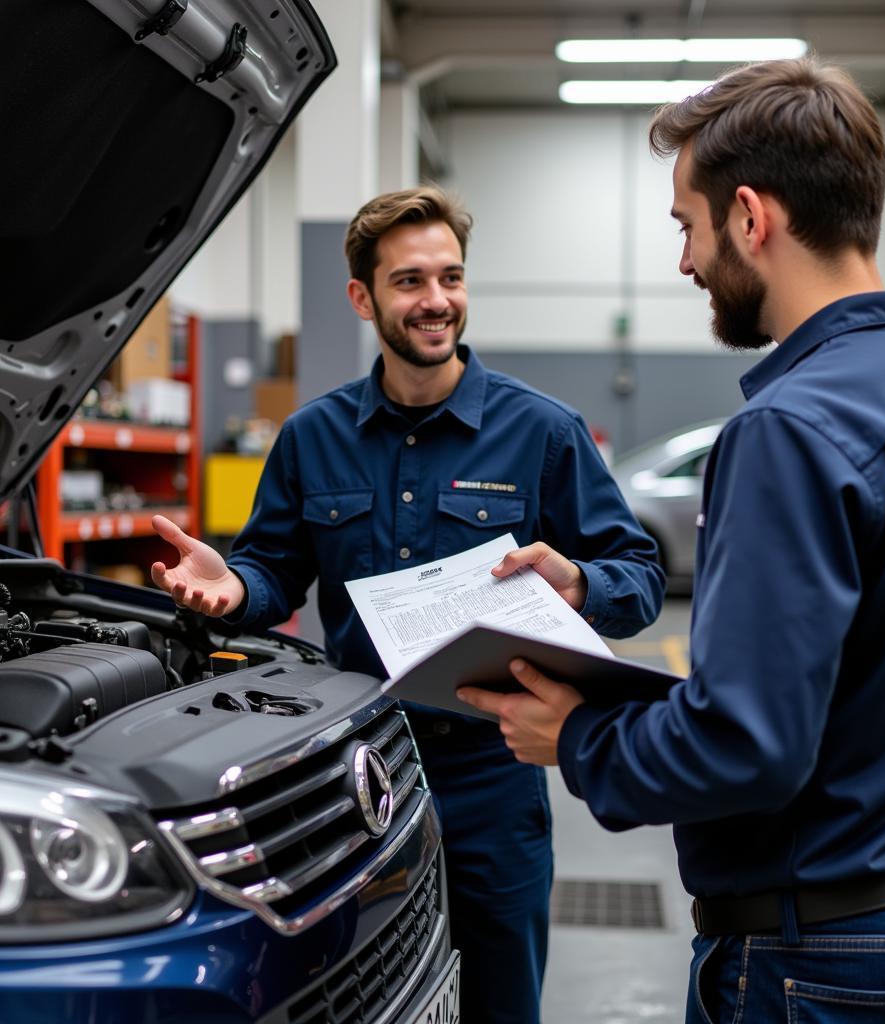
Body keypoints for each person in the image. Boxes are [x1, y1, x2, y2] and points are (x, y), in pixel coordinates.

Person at [458, 57, 885, 1023]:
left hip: (818, 956)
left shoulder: (787, 428)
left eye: (688, 226)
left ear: (751, 218)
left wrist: (580, 737)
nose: (684, 261)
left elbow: (748, 747)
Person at [149, 186, 665, 1024]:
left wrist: (581, 584)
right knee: (359, 994)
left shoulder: (543, 432)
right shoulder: (313, 437)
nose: (436, 302)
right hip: (352, 774)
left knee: (500, 999)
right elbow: (274, 569)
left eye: (451, 278)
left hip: (492, 773)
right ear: (362, 297)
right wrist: (235, 587)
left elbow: (637, 575)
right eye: (410, 281)